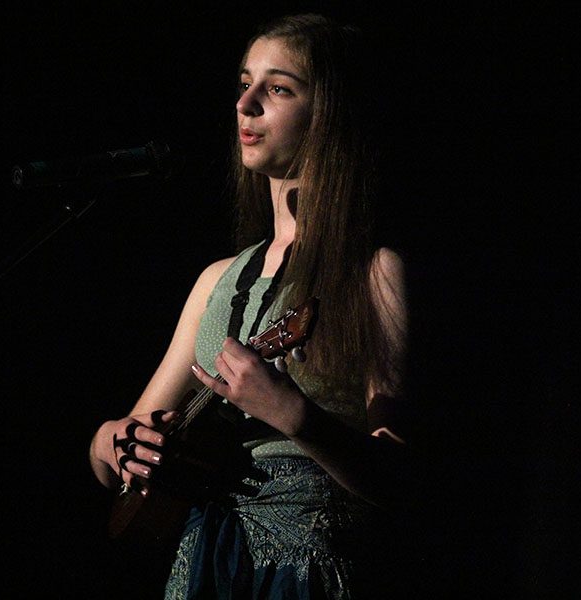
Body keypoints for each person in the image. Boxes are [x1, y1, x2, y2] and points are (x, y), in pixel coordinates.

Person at [89, 13, 414, 599]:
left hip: (303, 567)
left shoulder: (373, 272)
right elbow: (116, 448)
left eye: (278, 88)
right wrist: (113, 440)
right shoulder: (218, 280)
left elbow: (399, 474)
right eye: (245, 83)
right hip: (206, 559)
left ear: (329, 116)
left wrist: (296, 416)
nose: (246, 104)